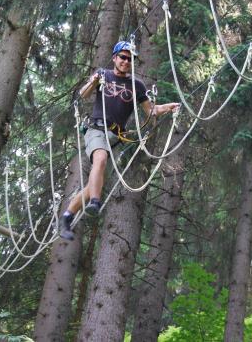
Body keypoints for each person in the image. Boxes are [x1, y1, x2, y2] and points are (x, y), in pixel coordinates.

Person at [59, 41, 180, 240]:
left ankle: (67, 216)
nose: (126, 61)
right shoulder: (103, 75)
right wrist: (94, 81)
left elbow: (152, 111)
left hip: (116, 138)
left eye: (130, 58)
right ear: (114, 57)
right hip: (96, 129)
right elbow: (84, 94)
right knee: (100, 160)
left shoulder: (136, 85)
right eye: (122, 57)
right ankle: (96, 203)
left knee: (93, 184)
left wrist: (170, 107)